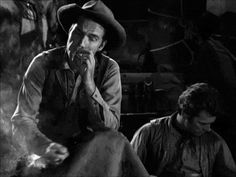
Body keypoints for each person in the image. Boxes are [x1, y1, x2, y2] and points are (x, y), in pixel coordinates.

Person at [10, 1, 149, 177]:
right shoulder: (42, 64)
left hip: (88, 154)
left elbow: (110, 126)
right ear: (69, 32)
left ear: (102, 45)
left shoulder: (109, 69)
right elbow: (21, 120)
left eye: (92, 38)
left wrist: (89, 82)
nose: (81, 43)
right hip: (47, 153)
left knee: (115, 140)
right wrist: (44, 146)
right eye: (78, 33)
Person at [131, 83, 236, 177]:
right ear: (185, 114)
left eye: (210, 123)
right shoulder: (149, 133)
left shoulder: (214, 141)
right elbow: (126, 169)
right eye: (202, 123)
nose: (208, 129)